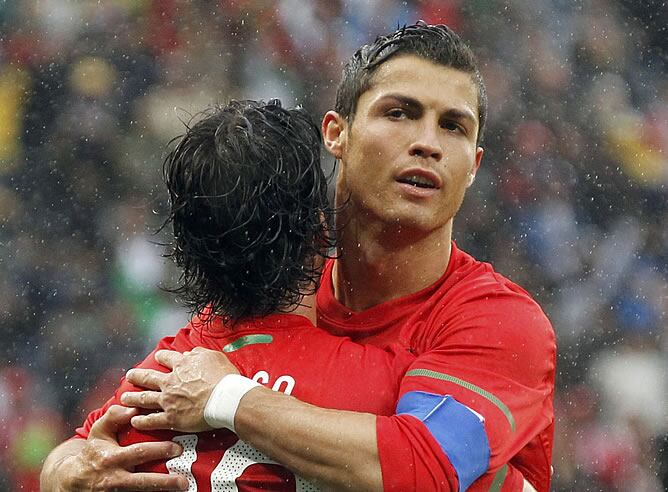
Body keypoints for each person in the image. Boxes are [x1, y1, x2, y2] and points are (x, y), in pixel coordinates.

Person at [44, 22, 556, 491]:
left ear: (473, 166)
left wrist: (230, 400)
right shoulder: (275, 289)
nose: (427, 143)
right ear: (336, 132)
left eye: (454, 126)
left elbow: (422, 469)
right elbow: (84, 445)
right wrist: (70, 471)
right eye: (399, 113)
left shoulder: (500, 324)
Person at [40, 100, 414, 490]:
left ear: (187, 250)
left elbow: (76, 454)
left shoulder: (150, 383)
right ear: (320, 231)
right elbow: (428, 467)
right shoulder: (379, 384)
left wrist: (62, 471)